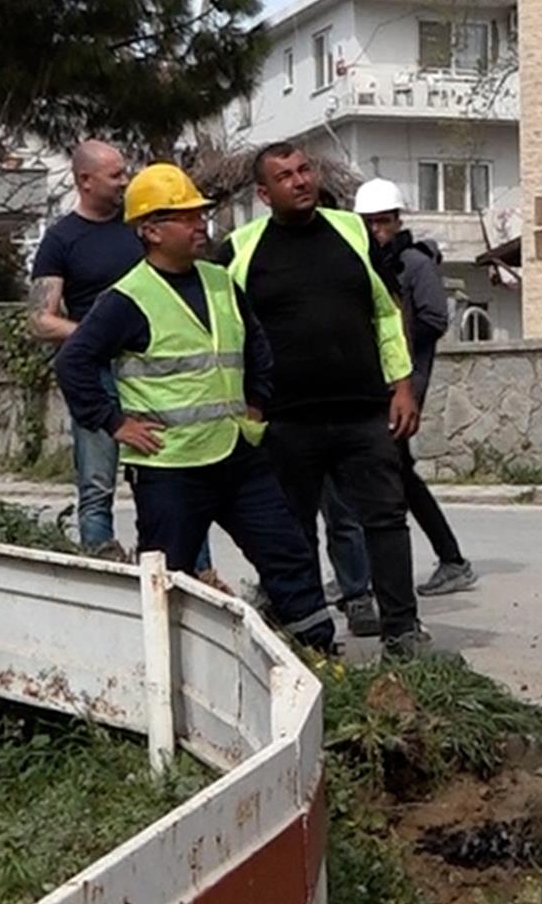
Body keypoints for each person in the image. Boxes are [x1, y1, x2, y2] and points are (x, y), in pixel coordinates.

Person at [54, 164, 333, 650]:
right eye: (185, 217)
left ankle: (320, 652)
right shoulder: (126, 298)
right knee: (170, 576)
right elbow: (75, 362)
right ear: (151, 230)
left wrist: (256, 404)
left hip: (236, 455)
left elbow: (256, 347)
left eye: (199, 214)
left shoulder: (220, 281)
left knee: (288, 554)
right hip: (170, 466)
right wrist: (114, 423)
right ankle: (163, 671)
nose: (199, 224)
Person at [227, 141, 440, 657]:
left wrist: (403, 385)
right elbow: (231, 334)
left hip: (364, 410)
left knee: (385, 519)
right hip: (284, 419)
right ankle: (305, 639)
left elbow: (388, 312)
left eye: (305, 170)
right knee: (291, 530)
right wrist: (247, 406)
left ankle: (402, 631)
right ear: (263, 192)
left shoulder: (351, 232)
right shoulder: (240, 248)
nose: (300, 181)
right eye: (285, 176)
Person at [353, 177, 477, 595]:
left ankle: (449, 561)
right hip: (371, 381)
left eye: (383, 222)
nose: (376, 231)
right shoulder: (363, 262)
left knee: (391, 475)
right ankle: (370, 570)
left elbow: (434, 321)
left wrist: (397, 347)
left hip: (406, 382)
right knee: (393, 475)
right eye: (369, 223)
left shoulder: (414, 264)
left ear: (397, 220)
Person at [29, 140, 141, 553]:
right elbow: (40, 319)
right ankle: (102, 565)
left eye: (124, 172)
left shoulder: (140, 226)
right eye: (115, 175)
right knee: (96, 484)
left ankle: (182, 566)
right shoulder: (61, 239)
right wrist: (96, 334)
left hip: (151, 370)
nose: (124, 181)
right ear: (85, 181)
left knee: (168, 478)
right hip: (95, 375)